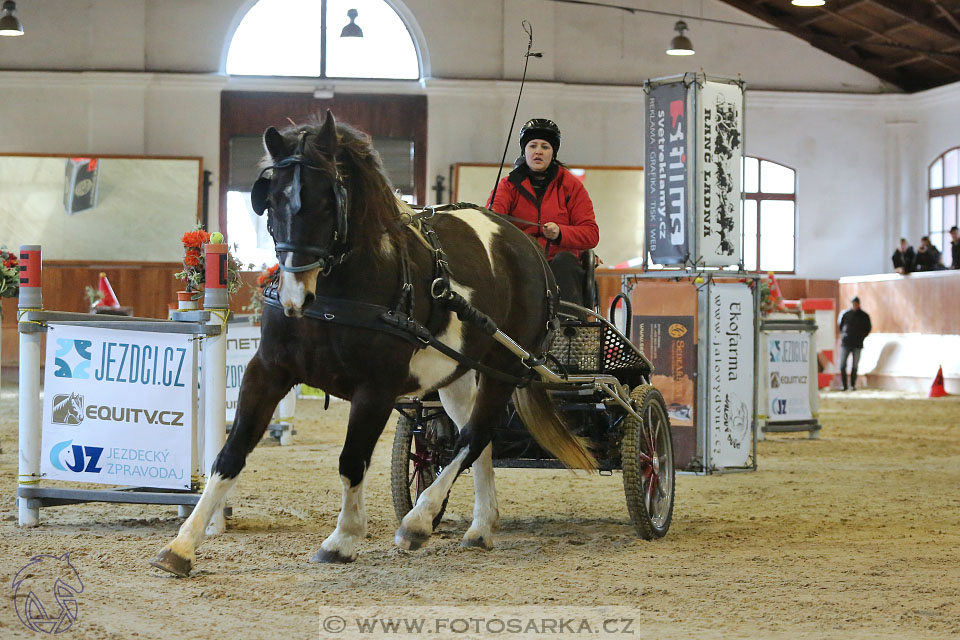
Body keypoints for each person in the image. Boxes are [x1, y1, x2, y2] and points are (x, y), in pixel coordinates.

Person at [488, 118, 599, 307]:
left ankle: (568, 326)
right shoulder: (507, 186)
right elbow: (492, 220)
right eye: (532, 145)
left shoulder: (572, 186)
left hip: (560, 266)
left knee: (565, 260)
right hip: (520, 262)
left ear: (553, 153)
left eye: (545, 146)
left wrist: (560, 233)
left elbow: (591, 234)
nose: (538, 151)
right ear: (524, 151)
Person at [837, 296, 872, 391]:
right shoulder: (846, 314)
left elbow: (868, 328)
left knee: (855, 366)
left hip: (857, 343)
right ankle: (844, 385)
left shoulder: (864, 316)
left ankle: (852, 385)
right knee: (843, 365)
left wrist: (861, 337)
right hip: (846, 342)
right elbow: (841, 327)